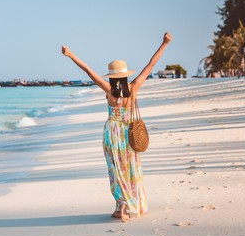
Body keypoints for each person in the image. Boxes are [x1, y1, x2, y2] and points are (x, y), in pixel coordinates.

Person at [61, 32, 172, 222]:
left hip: (111, 133)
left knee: (115, 169)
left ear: (112, 76)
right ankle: (130, 204)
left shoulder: (108, 90)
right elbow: (151, 65)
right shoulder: (134, 88)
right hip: (128, 132)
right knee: (130, 167)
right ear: (125, 74)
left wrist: (71, 55)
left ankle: (120, 204)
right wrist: (164, 44)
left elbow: (88, 70)